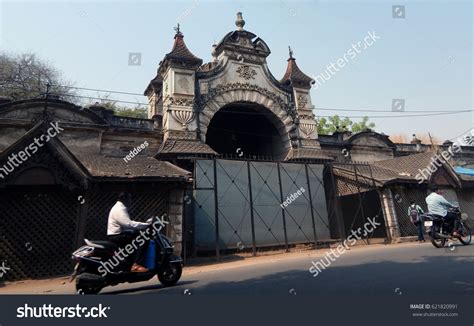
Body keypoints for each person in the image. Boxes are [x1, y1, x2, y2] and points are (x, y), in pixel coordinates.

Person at [107, 192, 150, 272]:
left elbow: (125, 225)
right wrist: (145, 225)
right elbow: (128, 224)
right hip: (117, 236)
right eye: (129, 199)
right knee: (143, 238)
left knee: (135, 235)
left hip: (117, 234)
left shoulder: (118, 207)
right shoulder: (120, 208)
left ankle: (130, 262)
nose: (130, 201)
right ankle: (136, 264)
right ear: (124, 199)